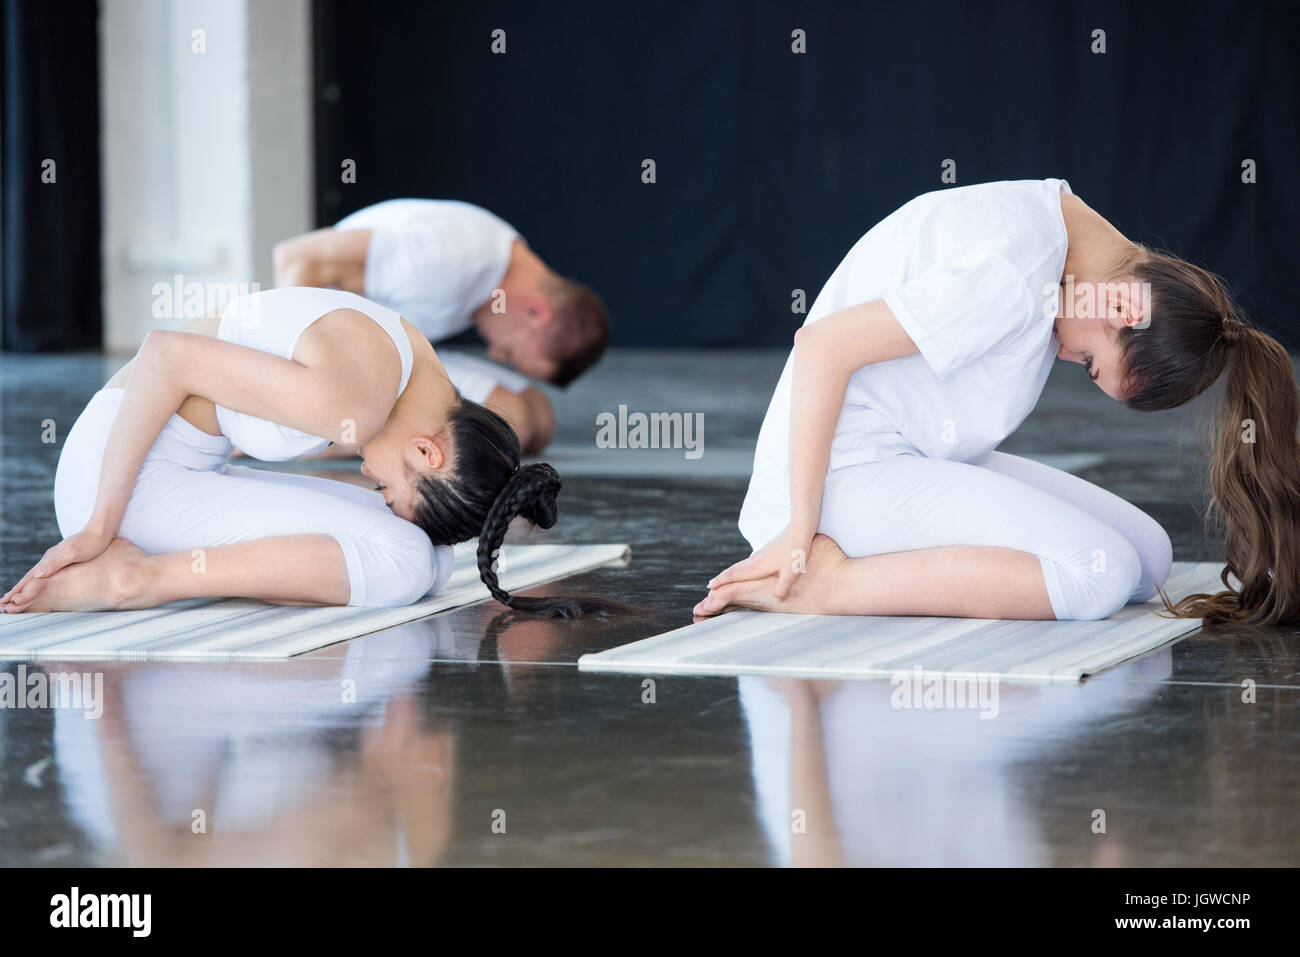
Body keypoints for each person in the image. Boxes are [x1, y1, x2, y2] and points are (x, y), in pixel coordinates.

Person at [697, 178, 1300, 625]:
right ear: (1122, 308)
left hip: (902, 460)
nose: (1069, 360)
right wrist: (799, 531)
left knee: (1147, 559)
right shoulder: (1014, 274)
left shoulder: (1060, 241)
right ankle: (832, 585)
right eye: (1092, 364)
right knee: (1099, 574)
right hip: (834, 477)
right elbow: (821, 346)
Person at [1, 287, 597, 616]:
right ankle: (137, 578)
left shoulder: (415, 368)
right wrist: (97, 527)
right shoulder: (358, 402)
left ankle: (148, 565)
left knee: (432, 558)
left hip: (176, 469)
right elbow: (165, 354)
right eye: (389, 488)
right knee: (407, 561)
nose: (368, 476)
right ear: (427, 451)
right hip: (117, 485)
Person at [273, 199, 612, 454]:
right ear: (537, 313)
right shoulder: (450, 257)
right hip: (322, 368)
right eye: (509, 354)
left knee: (538, 417)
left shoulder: (502, 258)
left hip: (372, 353)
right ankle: (299, 442)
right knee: (509, 419)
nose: (494, 353)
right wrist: (287, 391)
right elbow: (296, 258)